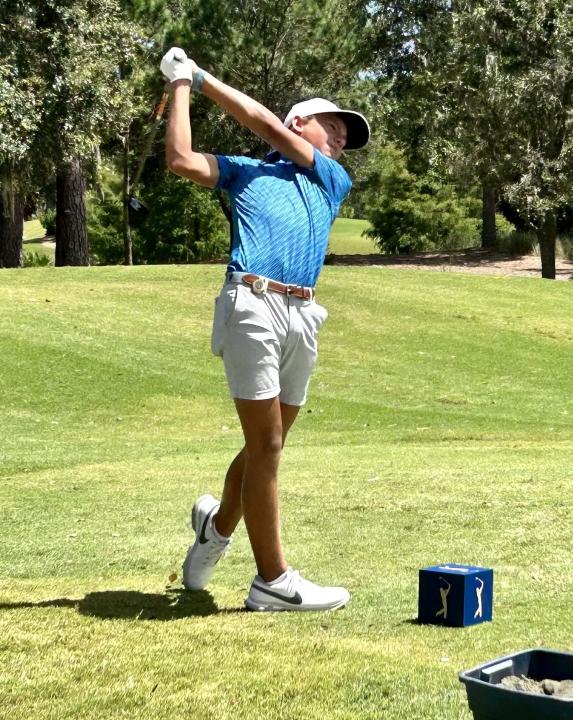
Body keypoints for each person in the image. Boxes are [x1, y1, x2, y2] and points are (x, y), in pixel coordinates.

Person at [160, 47, 370, 612]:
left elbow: (266, 125)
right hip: (250, 300)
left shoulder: (330, 178)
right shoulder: (244, 171)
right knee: (267, 443)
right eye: (335, 127)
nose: (342, 139)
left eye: (346, 134)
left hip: (304, 313)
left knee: (265, 446)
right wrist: (182, 86)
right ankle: (272, 581)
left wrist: (200, 77)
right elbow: (180, 158)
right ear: (303, 121)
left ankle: (216, 526)